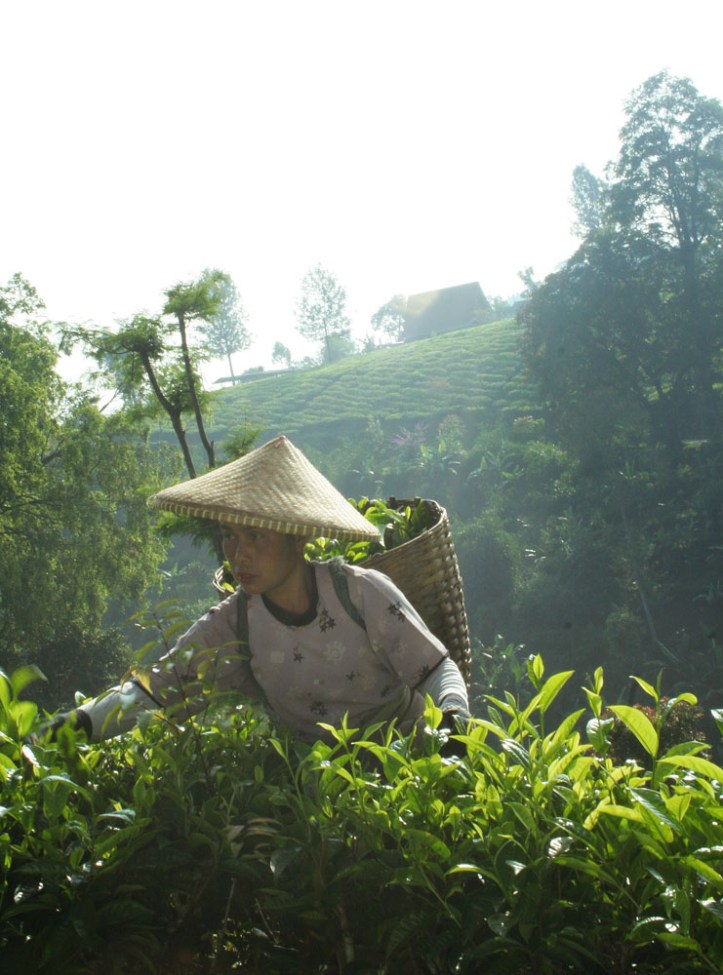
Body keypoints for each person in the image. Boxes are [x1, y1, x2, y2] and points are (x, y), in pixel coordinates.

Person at [46, 435, 470, 746]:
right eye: (229, 535)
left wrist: (452, 720)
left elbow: (435, 670)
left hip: (410, 763)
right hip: (320, 789)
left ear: (298, 538)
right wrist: (80, 722)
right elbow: (160, 686)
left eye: (256, 537)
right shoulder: (235, 623)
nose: (239, 555)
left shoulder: (360, 595)